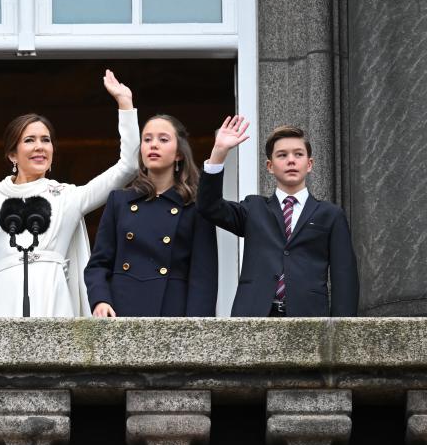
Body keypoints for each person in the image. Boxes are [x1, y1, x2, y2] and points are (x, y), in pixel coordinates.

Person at [0, 69, 140, 317]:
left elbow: (129, 167)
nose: (39, 146)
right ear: (12, 155)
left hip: (54, 297)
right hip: (3, 298)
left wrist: (125, 105)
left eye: (45, 140)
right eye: (29, 140)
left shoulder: (68, 197)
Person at [197, 117, 358, 317]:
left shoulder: (330, 215)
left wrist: (342, 330)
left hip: (309, 318)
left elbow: (345, 276)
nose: (291, 160)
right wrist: (218, 154)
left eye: (298, 154)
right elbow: (209, 206)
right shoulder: (254, 208)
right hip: (254, 315)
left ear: (309, 164)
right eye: (282, 155)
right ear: (270, 166)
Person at [84, 114, 217, 317]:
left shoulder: (195, 207)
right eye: (147, 139)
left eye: (163, 139)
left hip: (173, 313)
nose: (153, 145)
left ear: (179, 153)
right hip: (120, 310)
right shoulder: (119, 201)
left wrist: (197, 331)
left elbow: (203, 279)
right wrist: (100, 300)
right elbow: (98, 264)